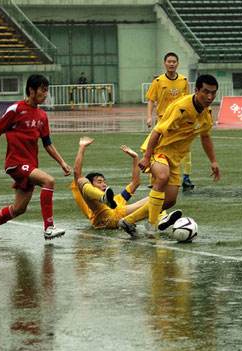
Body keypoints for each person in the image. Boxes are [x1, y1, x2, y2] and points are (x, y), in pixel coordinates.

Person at [118, 74, 221, 238]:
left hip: (175, 158)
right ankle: (152, 227)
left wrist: (213, 161)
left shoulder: (207, 113)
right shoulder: (181, 107)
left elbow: (205, 136)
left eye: (213, 93)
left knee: (170, 200)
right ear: (196, 90)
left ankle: (128, 221)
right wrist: (146, 157)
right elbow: (157, 131)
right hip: (157, 150)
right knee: (162, 176)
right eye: (206, 92)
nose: (209, 97)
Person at [0, 74, 71, 240]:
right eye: (42, 90)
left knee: (19, 209)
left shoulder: (42, 116)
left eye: (47, 90)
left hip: (30, 164)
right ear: (31, 90)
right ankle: (49, 228)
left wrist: (62, 162)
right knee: (49, 181)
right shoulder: (16, 109)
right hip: (16, 163)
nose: (45, 94)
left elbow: (47, 143)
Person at [72, 136, 181, 234]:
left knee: (155, 197)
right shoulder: (90, 203)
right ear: (92, 185)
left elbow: (135, 183)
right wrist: (82, 147)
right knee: (81, 181)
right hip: (103, 219)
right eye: (99, 182)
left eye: (104, 181)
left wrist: (135, 158)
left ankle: (161, 219)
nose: (104, 184)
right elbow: (77, 174)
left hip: (119, 217)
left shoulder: (117, 199)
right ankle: (102, 197)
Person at [146, 52, 195, 192]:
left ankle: (186, 177)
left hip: (180, 122)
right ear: (165, 63)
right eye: (169, 61)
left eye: (174, 61)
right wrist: (149, 117)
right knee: (157, 149)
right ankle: (154, 178)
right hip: (163, 121)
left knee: (185, 149)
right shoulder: (158, 82)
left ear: (177, 64)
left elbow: (188, 101)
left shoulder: (184, 81)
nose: (172, 64)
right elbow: (151, 100)